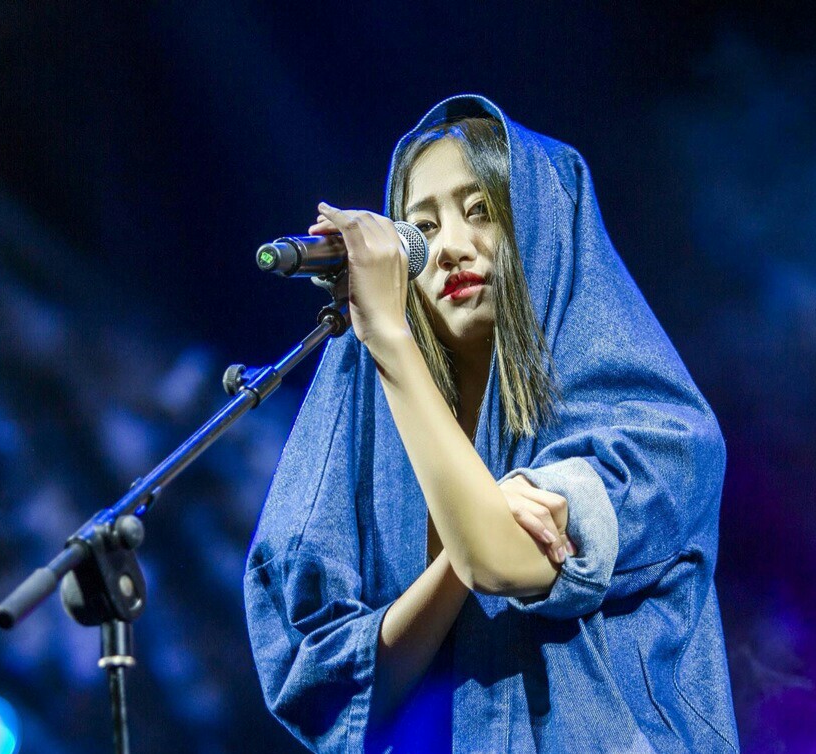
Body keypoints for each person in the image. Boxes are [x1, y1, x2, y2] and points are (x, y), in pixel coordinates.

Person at [243, 94, 739, 753]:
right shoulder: (382, 446)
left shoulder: (666, 436)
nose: (449, 248)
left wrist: (388, 335)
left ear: (544, 228)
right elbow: (335, 691)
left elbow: (503, 561)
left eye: (481, 211)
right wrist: (471, 533)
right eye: (421, 230)